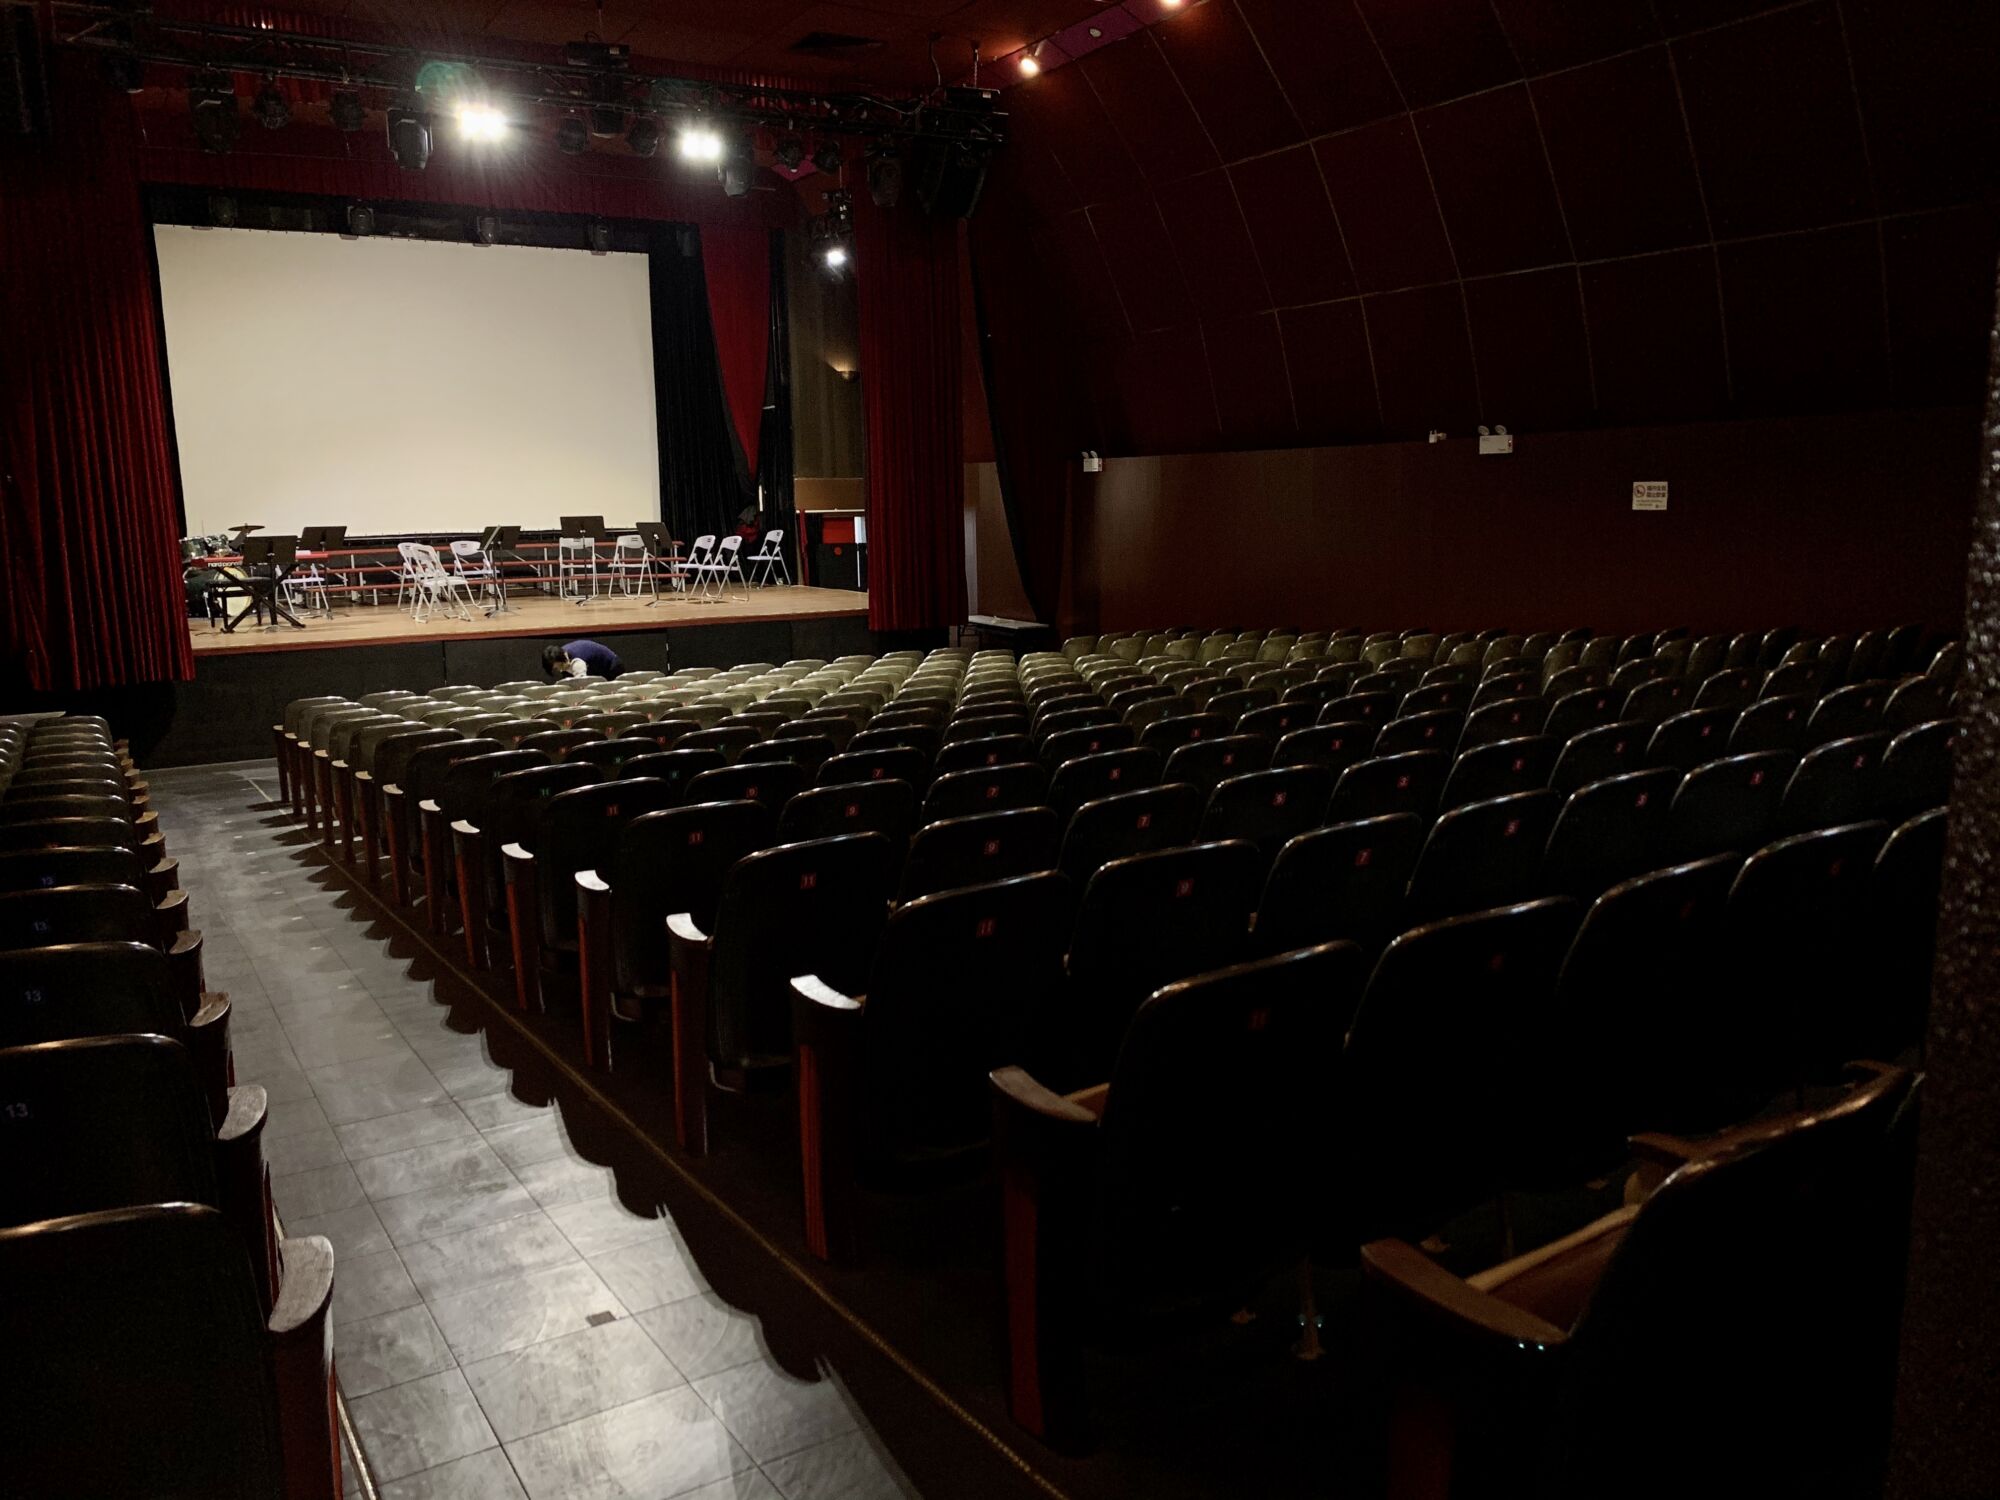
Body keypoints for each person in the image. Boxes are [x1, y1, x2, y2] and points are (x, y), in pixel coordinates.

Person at [542, 639, 623, 680]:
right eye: (556, 669)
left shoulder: (578, 661)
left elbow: (582, 685)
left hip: (612, 667)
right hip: (595, 669)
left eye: (560, 666)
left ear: (563, 659)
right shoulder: (560, 654)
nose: (560, 670)